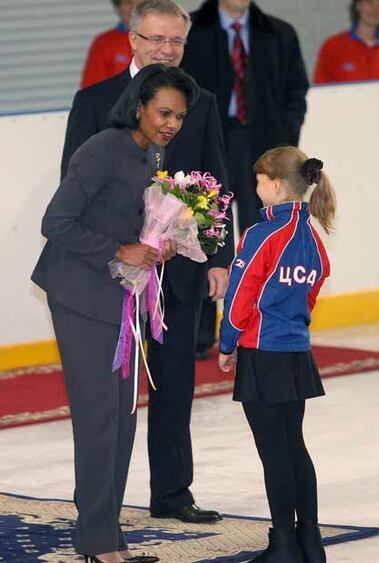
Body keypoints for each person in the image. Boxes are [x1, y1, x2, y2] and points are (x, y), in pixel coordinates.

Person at [61, 0, 234, 524]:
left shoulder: (200, 102)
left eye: (176, 42)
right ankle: (99, 508)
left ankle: (173, 494)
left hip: (178, 270)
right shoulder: (94, 101)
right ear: (132, 40)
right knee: (108, 401)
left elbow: (217, 180)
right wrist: (114, 250)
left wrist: (220, 256)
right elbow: (71, 191)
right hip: (111, 275)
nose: (166, 50)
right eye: (156, 40)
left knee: (175, 384)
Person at [32, 64, 199, 563]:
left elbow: (138, 224)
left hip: (122, 298)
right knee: (99, 419)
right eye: (164, 112)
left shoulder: (153, 154)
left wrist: (158, 246)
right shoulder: (102, 149)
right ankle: (98, 543)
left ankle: (109, 536)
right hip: (81, 296)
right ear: (139, 106)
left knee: (124, 419)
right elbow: (55, 222)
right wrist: (118, 250)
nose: (171, 123)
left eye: (180, 116)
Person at [219, 147, 336, 563]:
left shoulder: (260, 235)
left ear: (276, 185)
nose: (254, 187)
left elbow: (240, 297)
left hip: (262, 353)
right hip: (295, 353)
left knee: (274, 452)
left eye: (257, 180)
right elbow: (312, 291)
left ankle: (284, 543)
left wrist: (228, 342)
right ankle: (311, 542)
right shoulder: (312, 239)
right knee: (294, 446)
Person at [181, 0, 309, 359]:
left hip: (264, 148)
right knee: (205, 232)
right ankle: (201, 331)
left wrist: (285, 135)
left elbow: (295, 91)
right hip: (209, 145)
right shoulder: (191, 31)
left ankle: (261, 321)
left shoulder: (279, 34)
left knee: (266, 238)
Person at [313, 0, 379, 84]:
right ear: (358, 5)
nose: (375, 9)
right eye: (369, 2)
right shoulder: (332, 47)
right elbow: (319, 91)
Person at [81, 1, 138, 89]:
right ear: (118, 8)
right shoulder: (104, 43)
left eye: (139, 1)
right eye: (128, 2)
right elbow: (91, 90)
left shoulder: (161, 40)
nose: (134, 7)